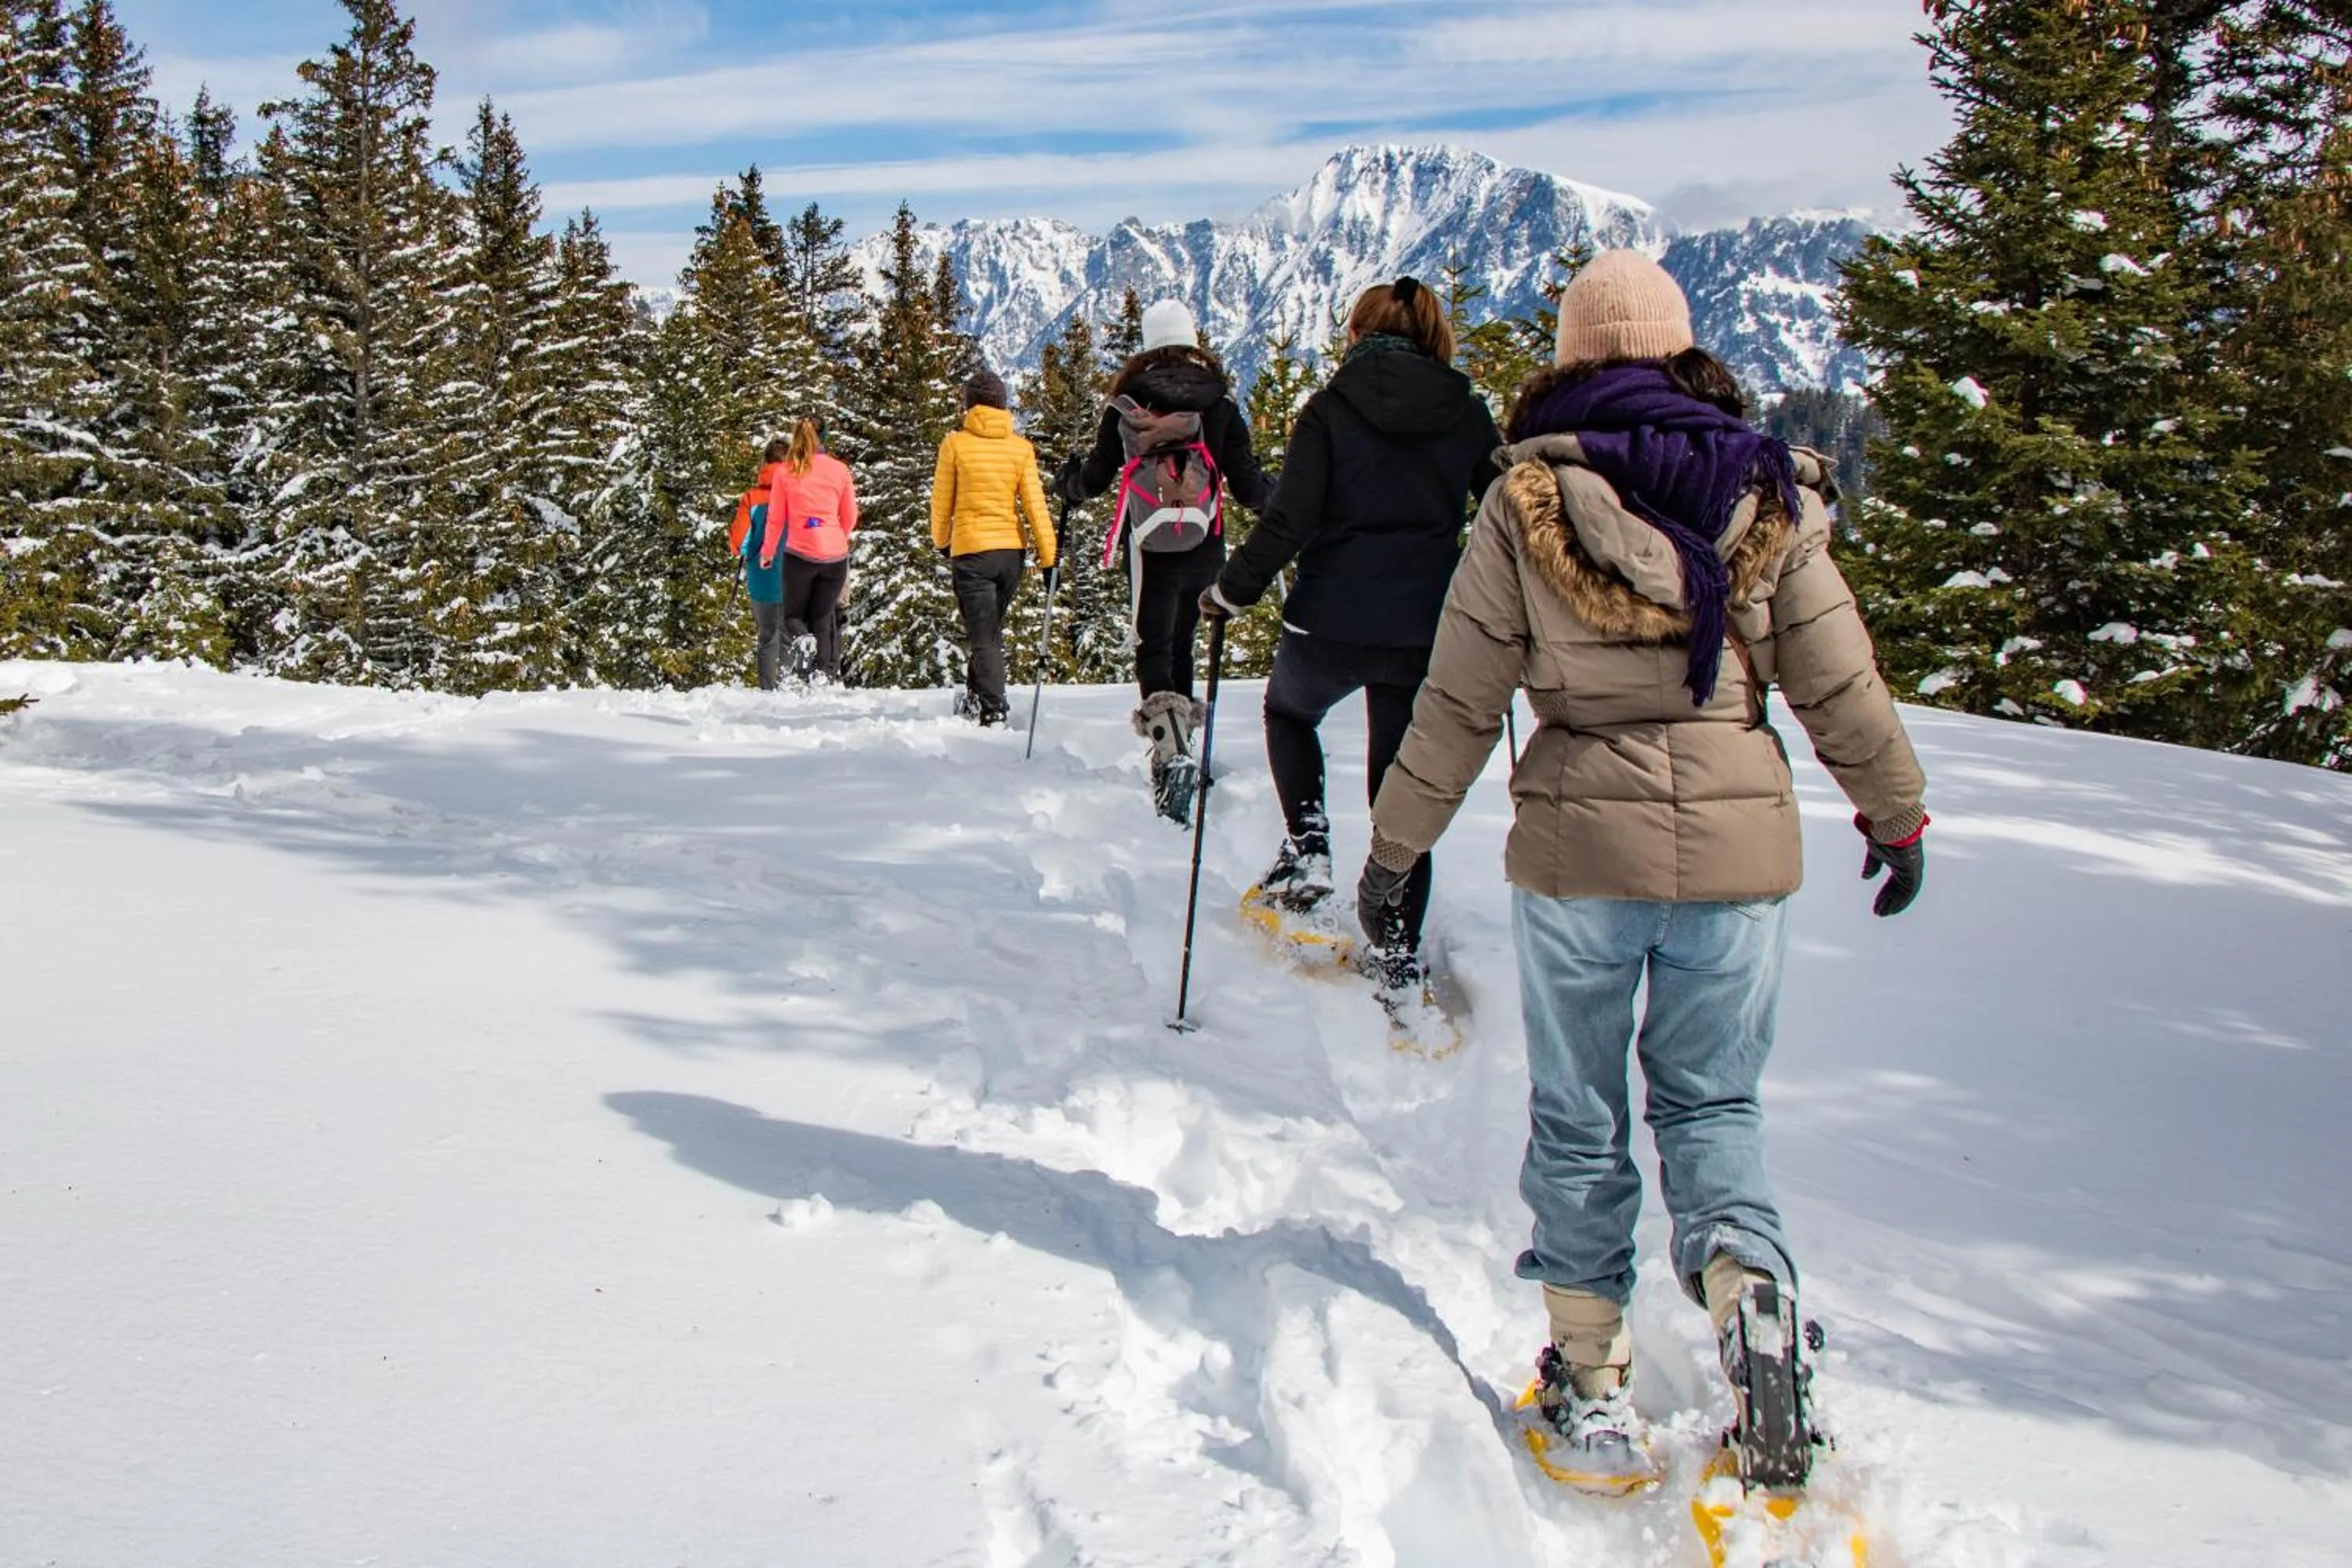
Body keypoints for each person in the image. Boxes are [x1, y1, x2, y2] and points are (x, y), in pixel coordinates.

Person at [1352, 250, 1929, 1488]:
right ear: (1680, 351)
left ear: (1568, 359)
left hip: (1580, 851)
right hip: (1739, 852)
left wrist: (1396, 851)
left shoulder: (1528, 502)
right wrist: (1896, 815)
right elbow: (1838, 681)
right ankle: (1748, 1290)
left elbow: (1458, 699)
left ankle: (1592, 1382)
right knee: (1714, 1106)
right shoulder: (1767, 490)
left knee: (1581, 1113)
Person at [1198, 277, 1503, 990]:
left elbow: (1290, 521)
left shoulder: (1331, 409)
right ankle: (1398, 948)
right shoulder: (1466, 412)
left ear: (1359, 336)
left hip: (1329, 617)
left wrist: (1229, 592)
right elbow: (1502, 514)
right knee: (1401, 787)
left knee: (1291, 711)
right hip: (1424, 626)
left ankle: (1308, 847)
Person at [1060, 299, 1272, 819]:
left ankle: (1168, 744)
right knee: (1183, 640)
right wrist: (1284, 492)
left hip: (1147, 546)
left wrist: (1066, 484)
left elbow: (1092, 480)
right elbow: (1247, 486)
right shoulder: (1218, 404)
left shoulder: (1127, 407)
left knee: (1152, 641)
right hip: (1205, 541)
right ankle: (1183, 744)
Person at [931, 368, 1058, 726]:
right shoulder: (1020, 449)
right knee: (987, 629)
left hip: (972, 550)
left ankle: (993, 709)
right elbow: (1036, 507)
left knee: (984, 635)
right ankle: (975, 699)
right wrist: (1049, 560)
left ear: (969, 406)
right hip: (1010, 554)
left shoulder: (955, 444)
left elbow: (942, 503)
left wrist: (943, 541)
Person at [760, 416, 858, 684]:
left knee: (793, 615)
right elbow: (850, 515)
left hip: (799, 555)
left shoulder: (785, 471)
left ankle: (803, 641)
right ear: (824, 439)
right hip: (834, 556)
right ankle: (824, 675)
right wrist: (837, 536)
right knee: (824, 616)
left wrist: (768, 553)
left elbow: (776, 518)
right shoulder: (840, 470)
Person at [730, 438, 793, 690]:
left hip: (761, 578)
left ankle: (768, 691)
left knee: (768, 637)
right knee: (790, 637)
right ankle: (789, 689)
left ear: (765, 462)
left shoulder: (751, 499)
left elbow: (738, 543)